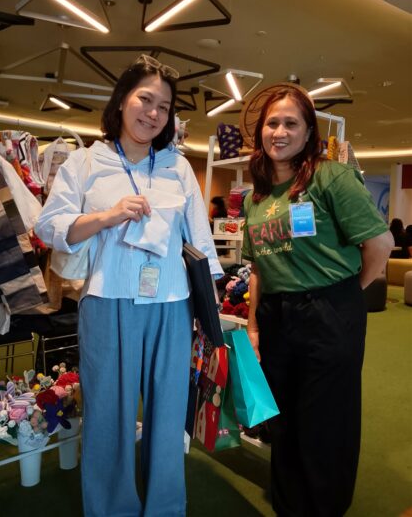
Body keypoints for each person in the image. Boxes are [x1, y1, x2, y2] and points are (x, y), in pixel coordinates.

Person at [35, 54, 222, 517]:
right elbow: (49, 226)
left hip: (172, 303)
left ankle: (164, 507)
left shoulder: (178, 166)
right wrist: (107, 216)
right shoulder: (85, 162)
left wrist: (211, 310)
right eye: (145, 99)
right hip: (107, 299)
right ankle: (111, 507)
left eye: (164, 106)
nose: (153, 113)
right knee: (108, 413)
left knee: (168, 413)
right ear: (121, 100)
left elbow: (200, 241)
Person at [241, 82, 394, 517]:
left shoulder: (331, 177)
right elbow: (258, 269)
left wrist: (346, 294)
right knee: (283, 420)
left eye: (291, 123)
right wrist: (252, 325)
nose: (280, 132)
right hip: (277, 315)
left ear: (309, 132)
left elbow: (380, 244)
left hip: (329, 311)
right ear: (261, 131)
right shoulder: (256, 196)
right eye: (272, 123)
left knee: (326, 422)